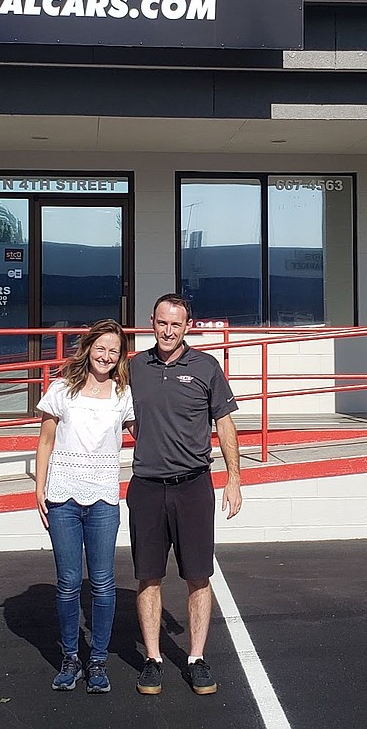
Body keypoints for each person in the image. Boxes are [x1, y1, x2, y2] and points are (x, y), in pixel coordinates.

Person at [126, 293, 241, 696]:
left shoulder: (206, 367)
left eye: (176, 324)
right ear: (151, 323)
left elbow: (225, 425)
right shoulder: (134, 367)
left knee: (198, 576)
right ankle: (153, 660)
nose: (168, 331)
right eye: (162, 323)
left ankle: (195, 658)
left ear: (187, 326)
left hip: (194, 487)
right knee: (148, 576)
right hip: (146, 488)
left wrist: (234, 478)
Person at [34, 319, 134, 694]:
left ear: (120, 356)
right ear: (89, 347)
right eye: (101, 347)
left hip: (105, 498)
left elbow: (148, 432)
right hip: (63, 497)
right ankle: (70, 658)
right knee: (68, 582)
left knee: (104, 583)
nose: (106, 356)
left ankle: (98, 661)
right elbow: (45, 441)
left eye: (114, 350)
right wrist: (40, 489)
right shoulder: (62, 389)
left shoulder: (124, 394)